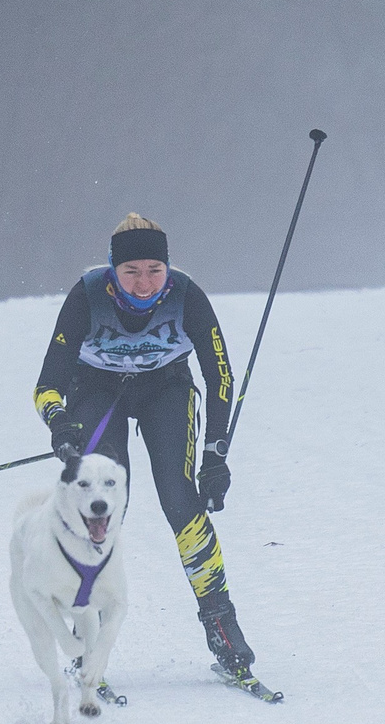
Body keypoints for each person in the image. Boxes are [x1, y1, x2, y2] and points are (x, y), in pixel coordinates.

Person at [34, 212, 256, 677]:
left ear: (168, 268)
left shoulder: (186, 295)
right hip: (98, 391)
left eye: (154, 270)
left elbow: (221, 377)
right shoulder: (87, 295)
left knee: (181, 499)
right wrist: (61, 425)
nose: (143, 284)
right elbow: (47, 385)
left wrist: (215, 457)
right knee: (102, 508)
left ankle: (220, 622)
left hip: (165, 390)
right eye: (131, 272)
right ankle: (85, 633)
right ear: (113, 271)